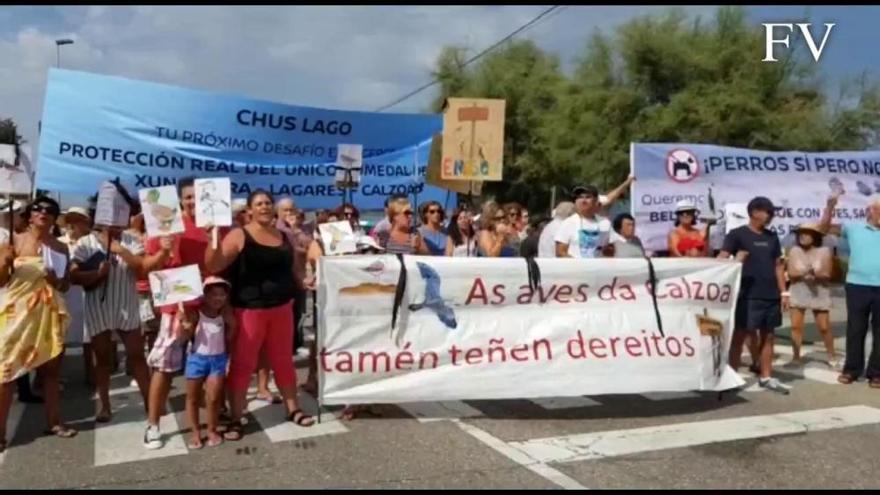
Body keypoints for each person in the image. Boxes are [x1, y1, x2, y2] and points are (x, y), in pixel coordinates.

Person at [205, 189, 315, 442]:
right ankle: (235, 417)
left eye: (268, 203)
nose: (264, 207)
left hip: (281, 309)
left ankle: (292, 409)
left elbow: (293, 268)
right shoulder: (238, 234)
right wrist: (211, 238)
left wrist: (303, 281)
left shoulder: (283, 234)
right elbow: (213, 265)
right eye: (259, 203)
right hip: (249, 311)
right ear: (250, 210)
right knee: (243, 366)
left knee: (283, 362)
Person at [143, 176, 215, 449]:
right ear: (180, 200)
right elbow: (149, 268)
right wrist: (163, 251)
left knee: (210, 363)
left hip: (207, 306)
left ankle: (212, 417)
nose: (193, 202)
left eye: (198, 197)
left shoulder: (215, 227)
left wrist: (214, 238)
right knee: (165, 367)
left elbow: (217, 265)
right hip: (175, 308)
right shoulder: (164, 227)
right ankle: (153, 424)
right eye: (188, 197)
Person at [70, 195, 156, 423]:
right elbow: (74, 276)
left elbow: (142, 269)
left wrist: (121, 251)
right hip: (98, 307)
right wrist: (96, 274)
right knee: (103, 359)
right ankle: (105, 405)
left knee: (137, 355)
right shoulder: (84, 243)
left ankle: (150, 401)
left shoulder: (131, 240)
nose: (114, 222)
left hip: (127, 305)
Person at [0, 196, 76, 451]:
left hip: (47, 314)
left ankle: (54, 422)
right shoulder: (13, 241)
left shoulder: (60, 248)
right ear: (30, 215)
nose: (44, 213)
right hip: (16, 315)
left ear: (55, 218)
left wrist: (56, 281)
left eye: (50, 210)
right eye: (38, 209)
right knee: (5, 375)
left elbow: (65, 285)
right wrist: (5, 261)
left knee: (50, 374)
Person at [718, 196, 790, 394]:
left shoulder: (771, 236)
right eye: (768, 212)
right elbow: (720, 261)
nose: (771, 216)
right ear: (755, 212)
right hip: (747, 295)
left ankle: (766, 377)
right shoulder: (737, 235)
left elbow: (778, 265)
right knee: (739, 337)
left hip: (771, 295)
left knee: (769, 337)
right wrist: (736, 261)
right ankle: (731, 376)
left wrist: (784, 292)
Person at [819, 193, 880, 387]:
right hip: (857, 286)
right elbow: (824, 229)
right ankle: (852, 369)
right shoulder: (853, 228)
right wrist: (830, 206)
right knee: (856, 328)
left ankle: (876, 373)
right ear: (870, 210)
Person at [182, 276, 236, 449]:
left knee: (213, 398)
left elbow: (230, 335)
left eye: (222, 294)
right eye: (213, 294)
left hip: (218, 359)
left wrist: (232, 325)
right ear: (204, 295)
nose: (218, 298)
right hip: (196, 358)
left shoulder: (226, 314)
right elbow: (187, 335)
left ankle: (212, 430)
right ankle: (196, 431)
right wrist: (186, 325)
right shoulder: (195, 313)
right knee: (193, 398)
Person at [785, 223, 836, 368]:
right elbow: (791, 273)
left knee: (824, 327)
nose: (803, 236)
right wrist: (803, 273)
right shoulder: (794, 250)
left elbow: (828, 274)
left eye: (807, 233)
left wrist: (816, 275)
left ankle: (831, 355)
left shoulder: (824, 251)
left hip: (819, 291)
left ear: (815, 236)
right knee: (795, 326)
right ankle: (796, 357)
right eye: (801, 233)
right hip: (798, 290)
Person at [58, 207, 92, 385]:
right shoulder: (58, 243)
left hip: (87, 295)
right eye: (71, 220)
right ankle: (52, 377)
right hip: (65, 296)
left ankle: (91, 375)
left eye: (80, 220)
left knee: (89, 337)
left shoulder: (92, 243)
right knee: (60, 338)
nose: (74, 224)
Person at [555, 185, 613, 258]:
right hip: (575, 268)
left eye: (587, 197)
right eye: (580, 197)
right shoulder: (568, 223)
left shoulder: (605, 223)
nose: (583, 201)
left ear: (595, 200)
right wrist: (578, 264)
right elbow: (560, 252)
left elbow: (610, 250)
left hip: (598, 267)